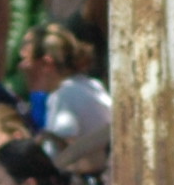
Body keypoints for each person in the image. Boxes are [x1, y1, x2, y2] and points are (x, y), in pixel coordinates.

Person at [19, 24, 112, 170]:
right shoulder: (91, 85)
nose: (21, 67)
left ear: (46, 64)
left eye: (25, 59)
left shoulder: (63, 95)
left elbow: (61, 148)